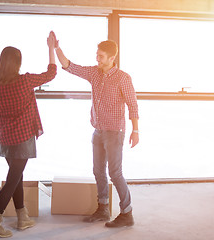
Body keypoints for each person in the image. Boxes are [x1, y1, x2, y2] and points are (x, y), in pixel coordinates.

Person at [53, 33, 139, 228]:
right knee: (98, 171)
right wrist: (56, 48)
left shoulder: (123, 78)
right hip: (98, 131)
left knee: (115, 173)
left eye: (100, 56)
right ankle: (103, 209)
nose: (97, 59)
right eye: (97, 55)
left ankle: (127, 213)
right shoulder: (94, 73)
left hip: (115, 132)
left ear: (111, 58)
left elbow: (133, 105)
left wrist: (136, 130)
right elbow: (69, 66)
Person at [0, 31, 57, 238]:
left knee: (17, 176)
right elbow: (51, 73)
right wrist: (51, 48)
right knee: (13, 178)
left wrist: (4, 125)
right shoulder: (24, 81)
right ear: (17, 63)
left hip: (5, 140)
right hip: (23, 138)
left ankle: (22, 217)